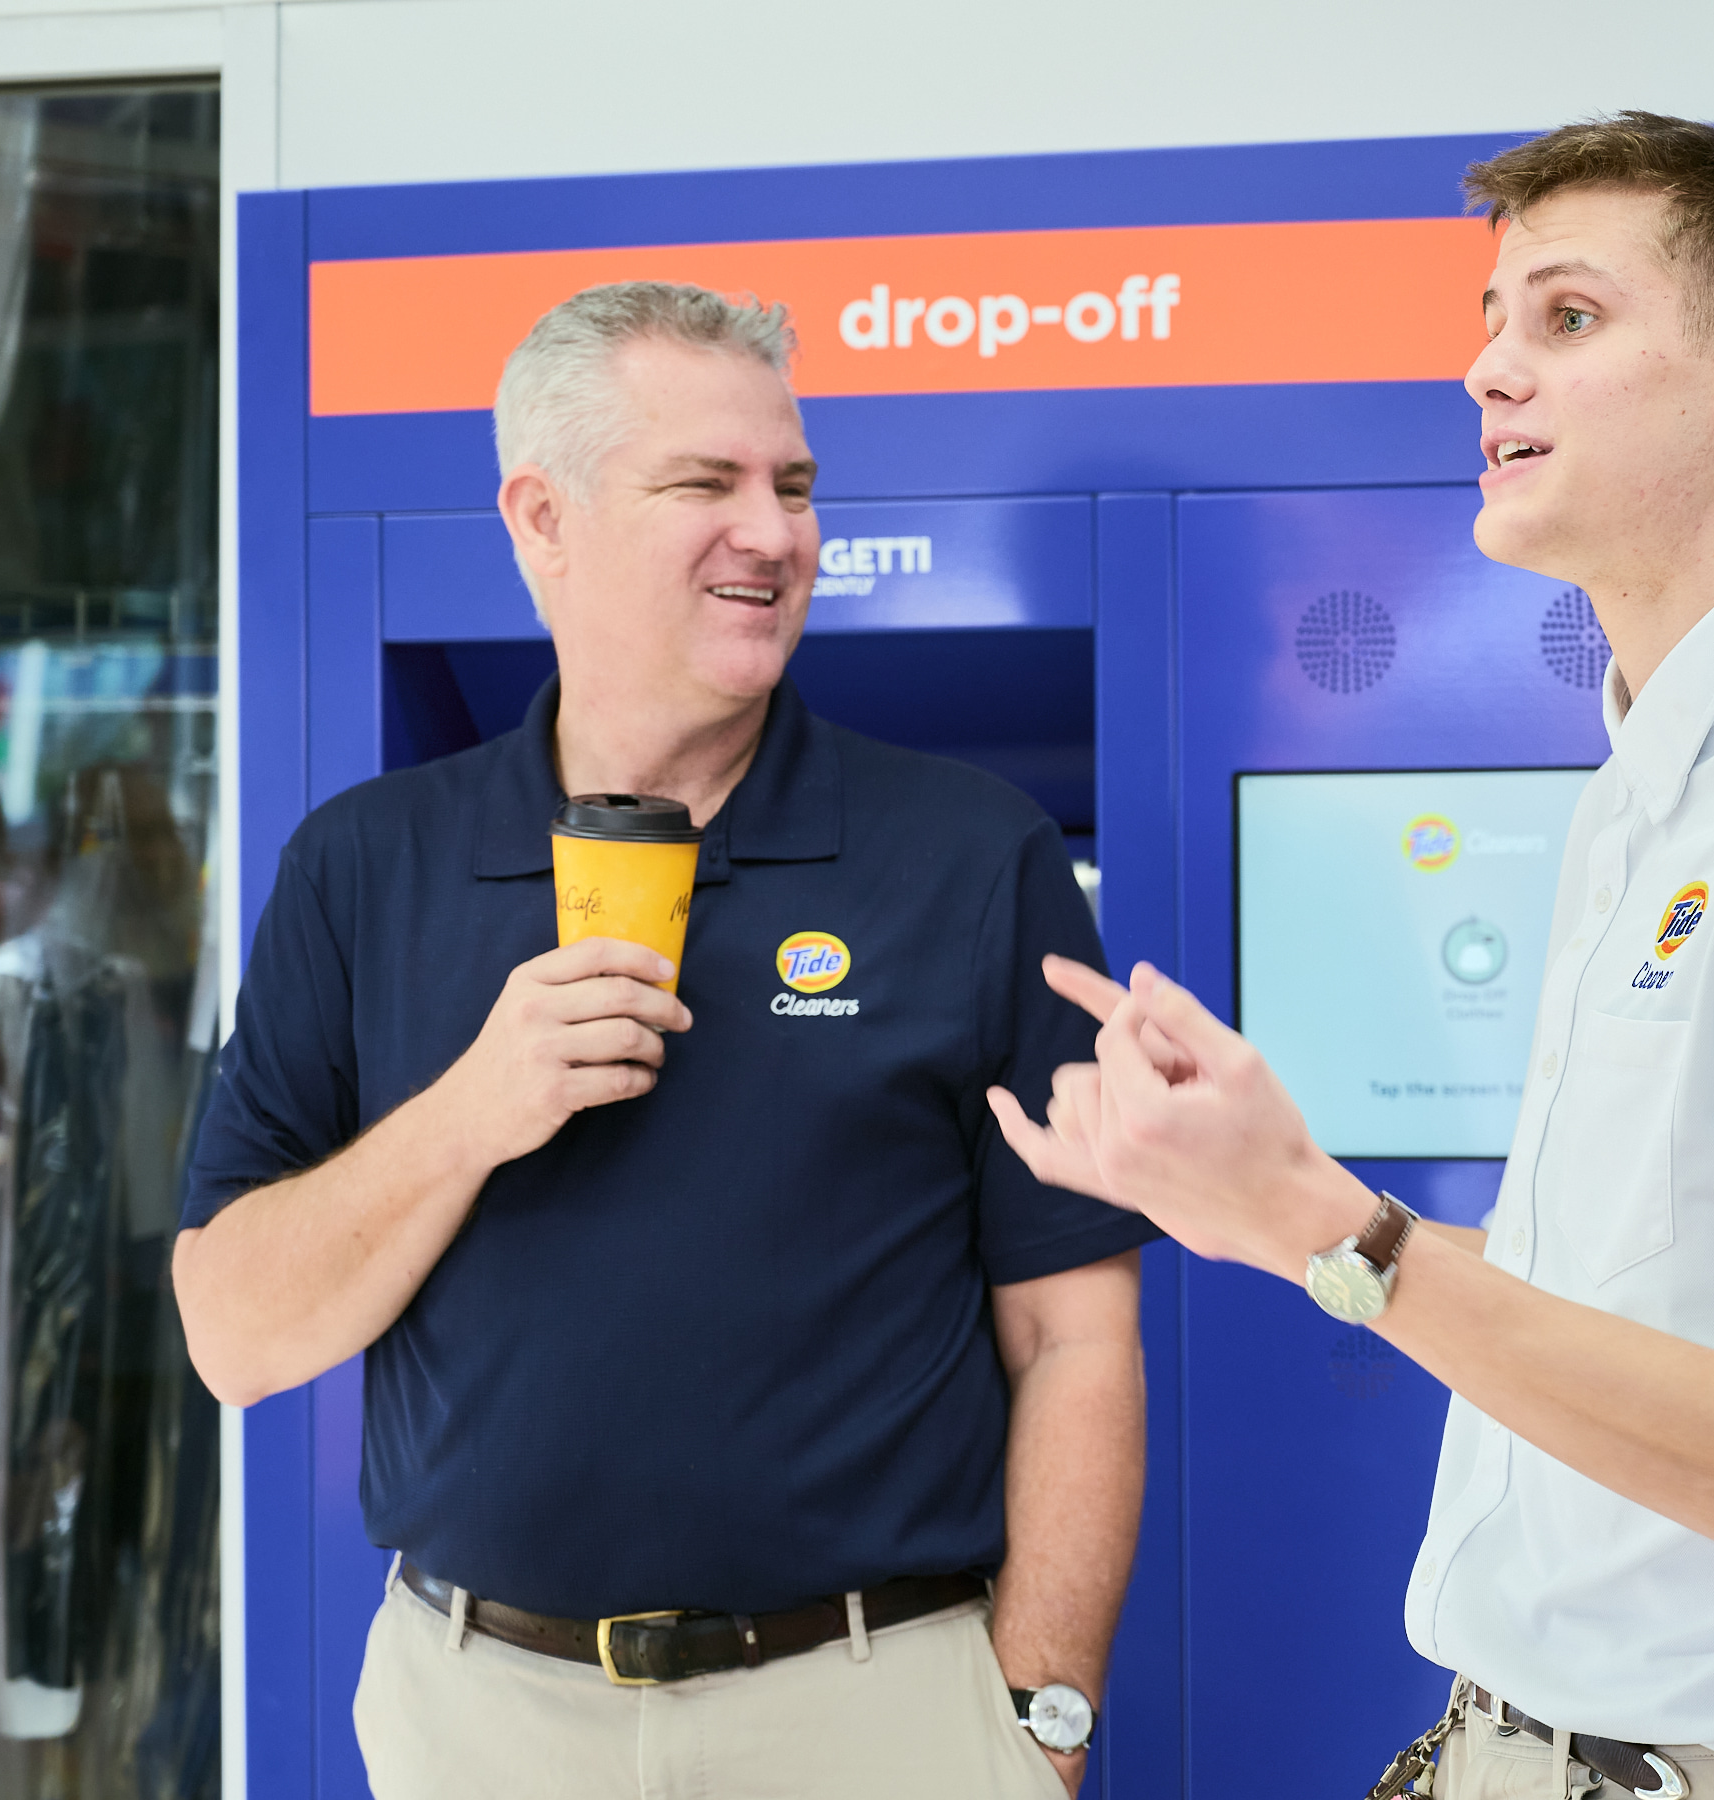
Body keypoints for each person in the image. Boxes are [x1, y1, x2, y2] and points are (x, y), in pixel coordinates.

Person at [992, 114, 1714, 1800]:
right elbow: (1627, 1284)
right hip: (1535, 1745)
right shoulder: (1653, 789)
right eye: (1493, 321)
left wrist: (1333, 1230)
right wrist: (1265, 1205)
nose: (1489, 370)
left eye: (1566, 317)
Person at [173, 282, 1155, 1800]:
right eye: (705, 483)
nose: (773, 533)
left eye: (793, 486)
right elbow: (238, 1339)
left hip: (876, 1717)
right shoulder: (363, 867)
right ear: (543, 519)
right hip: (481, 1721)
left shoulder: (971, 855)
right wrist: (471, 1111)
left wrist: (1043, 1721)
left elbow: (1075, 1336)